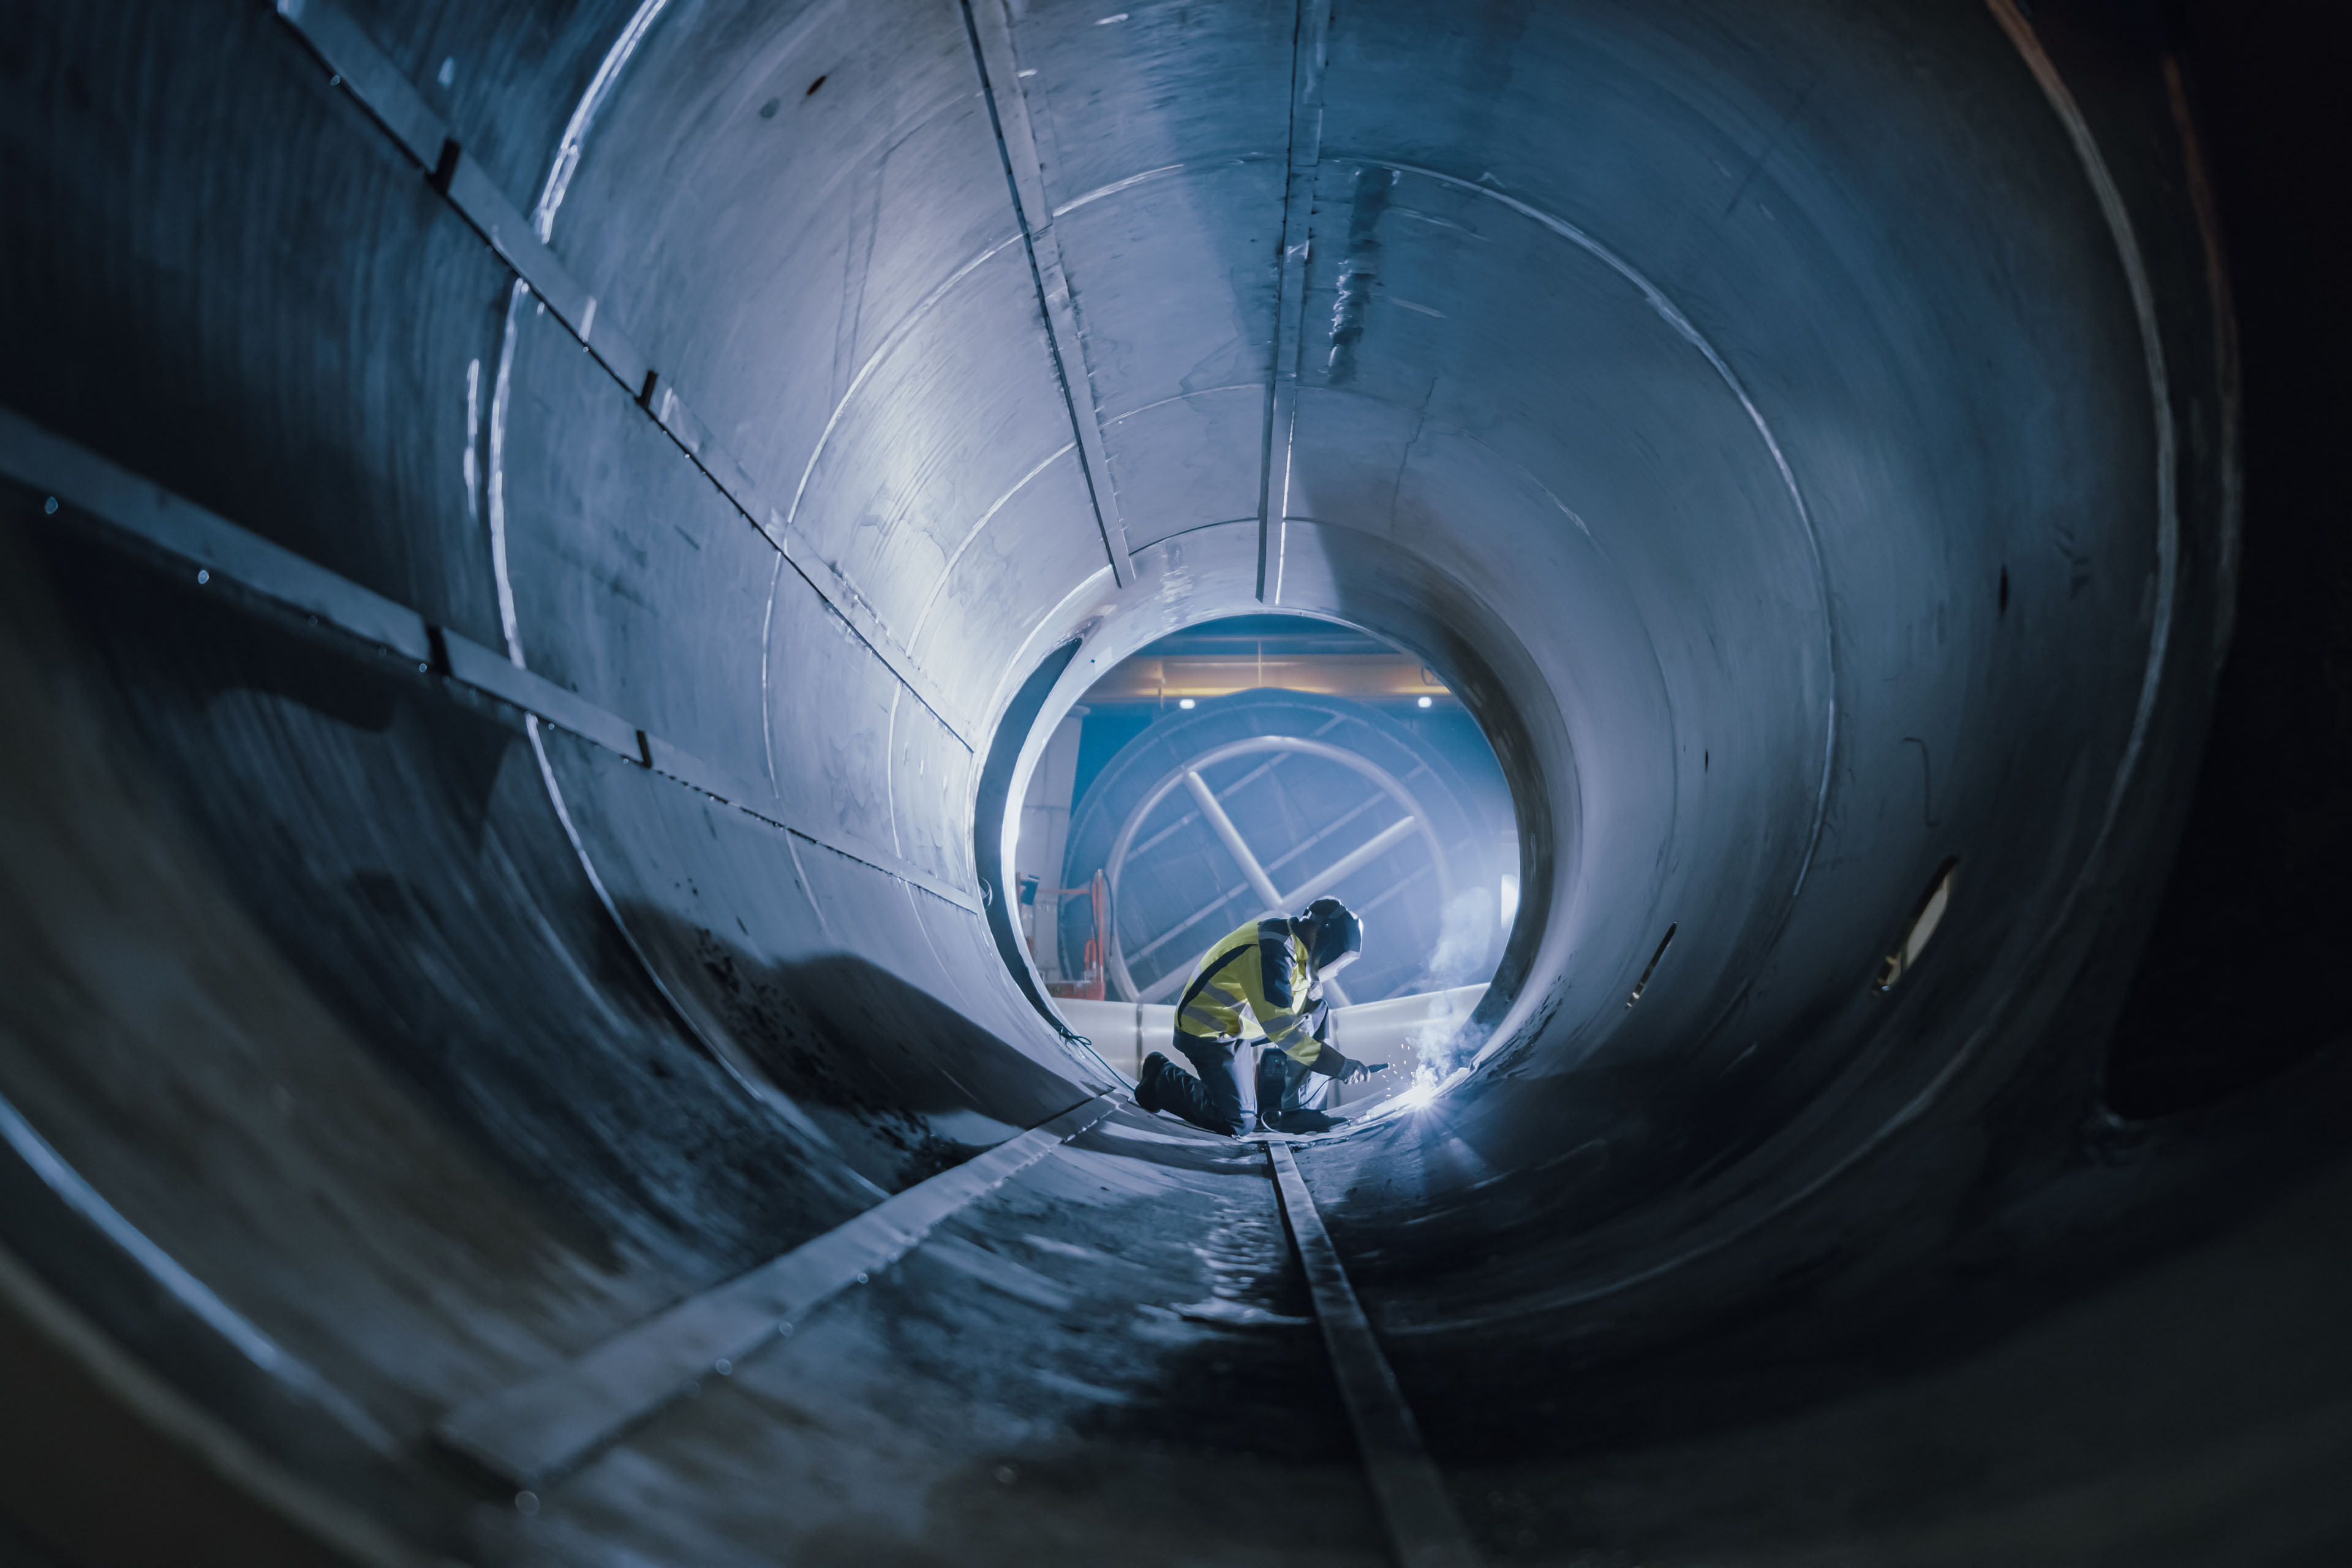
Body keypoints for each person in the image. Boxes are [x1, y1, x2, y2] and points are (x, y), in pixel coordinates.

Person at [1134, 896, 1387, 1135]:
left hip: (1239, 1022)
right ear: (1324, 939)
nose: (1336, 970)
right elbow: (1285, 1033)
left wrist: (1310, 982)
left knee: (1317, 1011)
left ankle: (1299, 1111)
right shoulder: (1273, 954)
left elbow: (1288, 991)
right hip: (1208, 1029)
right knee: (1238, 1123)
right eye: (1338, 962)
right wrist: (1340, 1066)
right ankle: (1161, 1077)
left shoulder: (1291, 939)